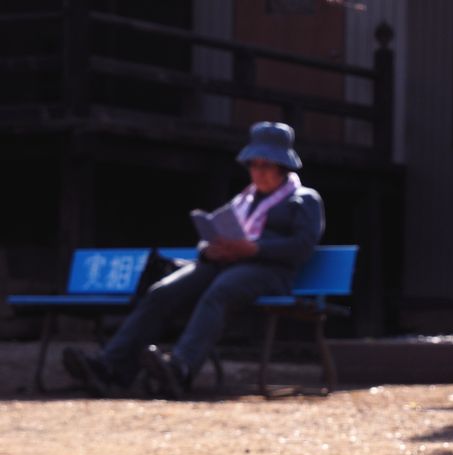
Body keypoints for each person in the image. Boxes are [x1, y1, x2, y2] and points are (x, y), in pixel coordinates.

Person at [62, 121, 325, 399]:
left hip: (269, 272)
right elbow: (213, 231)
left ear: (283, 167)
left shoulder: (304, 200)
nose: (257, 172)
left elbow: (302, 246)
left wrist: (254, 249)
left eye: (266, 165)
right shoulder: (244, 199)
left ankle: (180, 369)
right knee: (162, 292)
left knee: (219, 292)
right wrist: (207, 250)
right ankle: (110, 367)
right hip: (225, 264)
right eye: (253, 165)